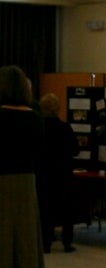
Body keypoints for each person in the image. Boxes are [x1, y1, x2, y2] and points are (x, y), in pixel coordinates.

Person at [0, 65, 46, 267]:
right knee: (25, 234)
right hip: (26, 181)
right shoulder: (35, 117)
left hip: (1, 180)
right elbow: (38, 150)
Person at [37, 93, 79, 253]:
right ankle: (67, 242)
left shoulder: (40, 127)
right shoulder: (65, 128)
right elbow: (75, 150)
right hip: (63, 174)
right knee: (66, 209)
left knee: (45, 209)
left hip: (44, 174)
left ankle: (46, 243)